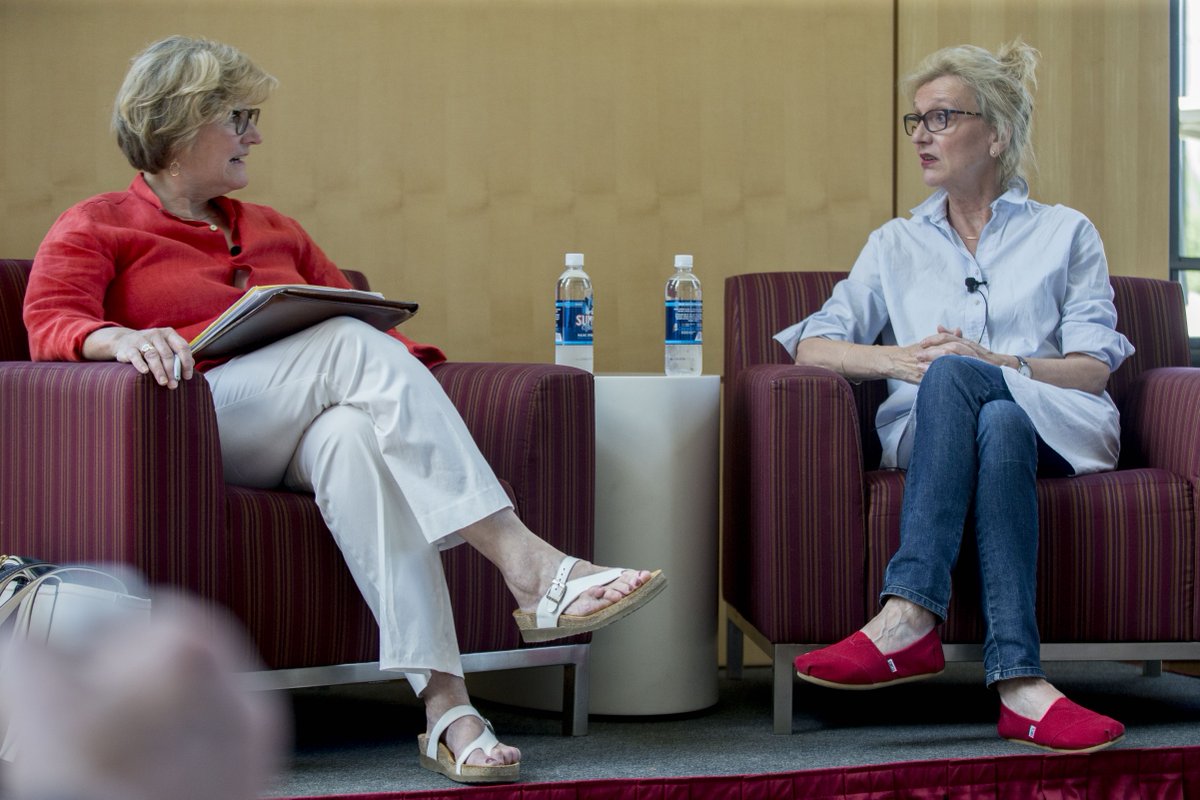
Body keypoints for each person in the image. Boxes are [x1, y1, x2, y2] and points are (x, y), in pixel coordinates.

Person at [22, 35, 666, 784]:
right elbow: (48, 321)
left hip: (298, 424)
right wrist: (119, 339)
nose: (255, 136)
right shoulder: (97, 222)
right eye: (239, 118)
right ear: (178, 122)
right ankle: (530, 568)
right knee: (342, 344)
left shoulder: (274, 228)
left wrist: (418, 386)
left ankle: (448, 711)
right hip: (193, 424)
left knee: (354, 436)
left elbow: (361, 324)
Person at [774, 39, 1130, 754]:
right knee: (992, 418)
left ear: (996, 135)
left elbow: (1093, 368)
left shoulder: (1066, 233)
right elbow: (813, 345)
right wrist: (900, 360)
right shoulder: (895, 243)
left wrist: (999, 363)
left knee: (979, 386)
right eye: (915, 121)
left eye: (940, 118)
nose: (920, 136)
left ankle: (909, 613)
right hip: (939, 432)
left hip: (1059, 423)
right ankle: (1021, 685)